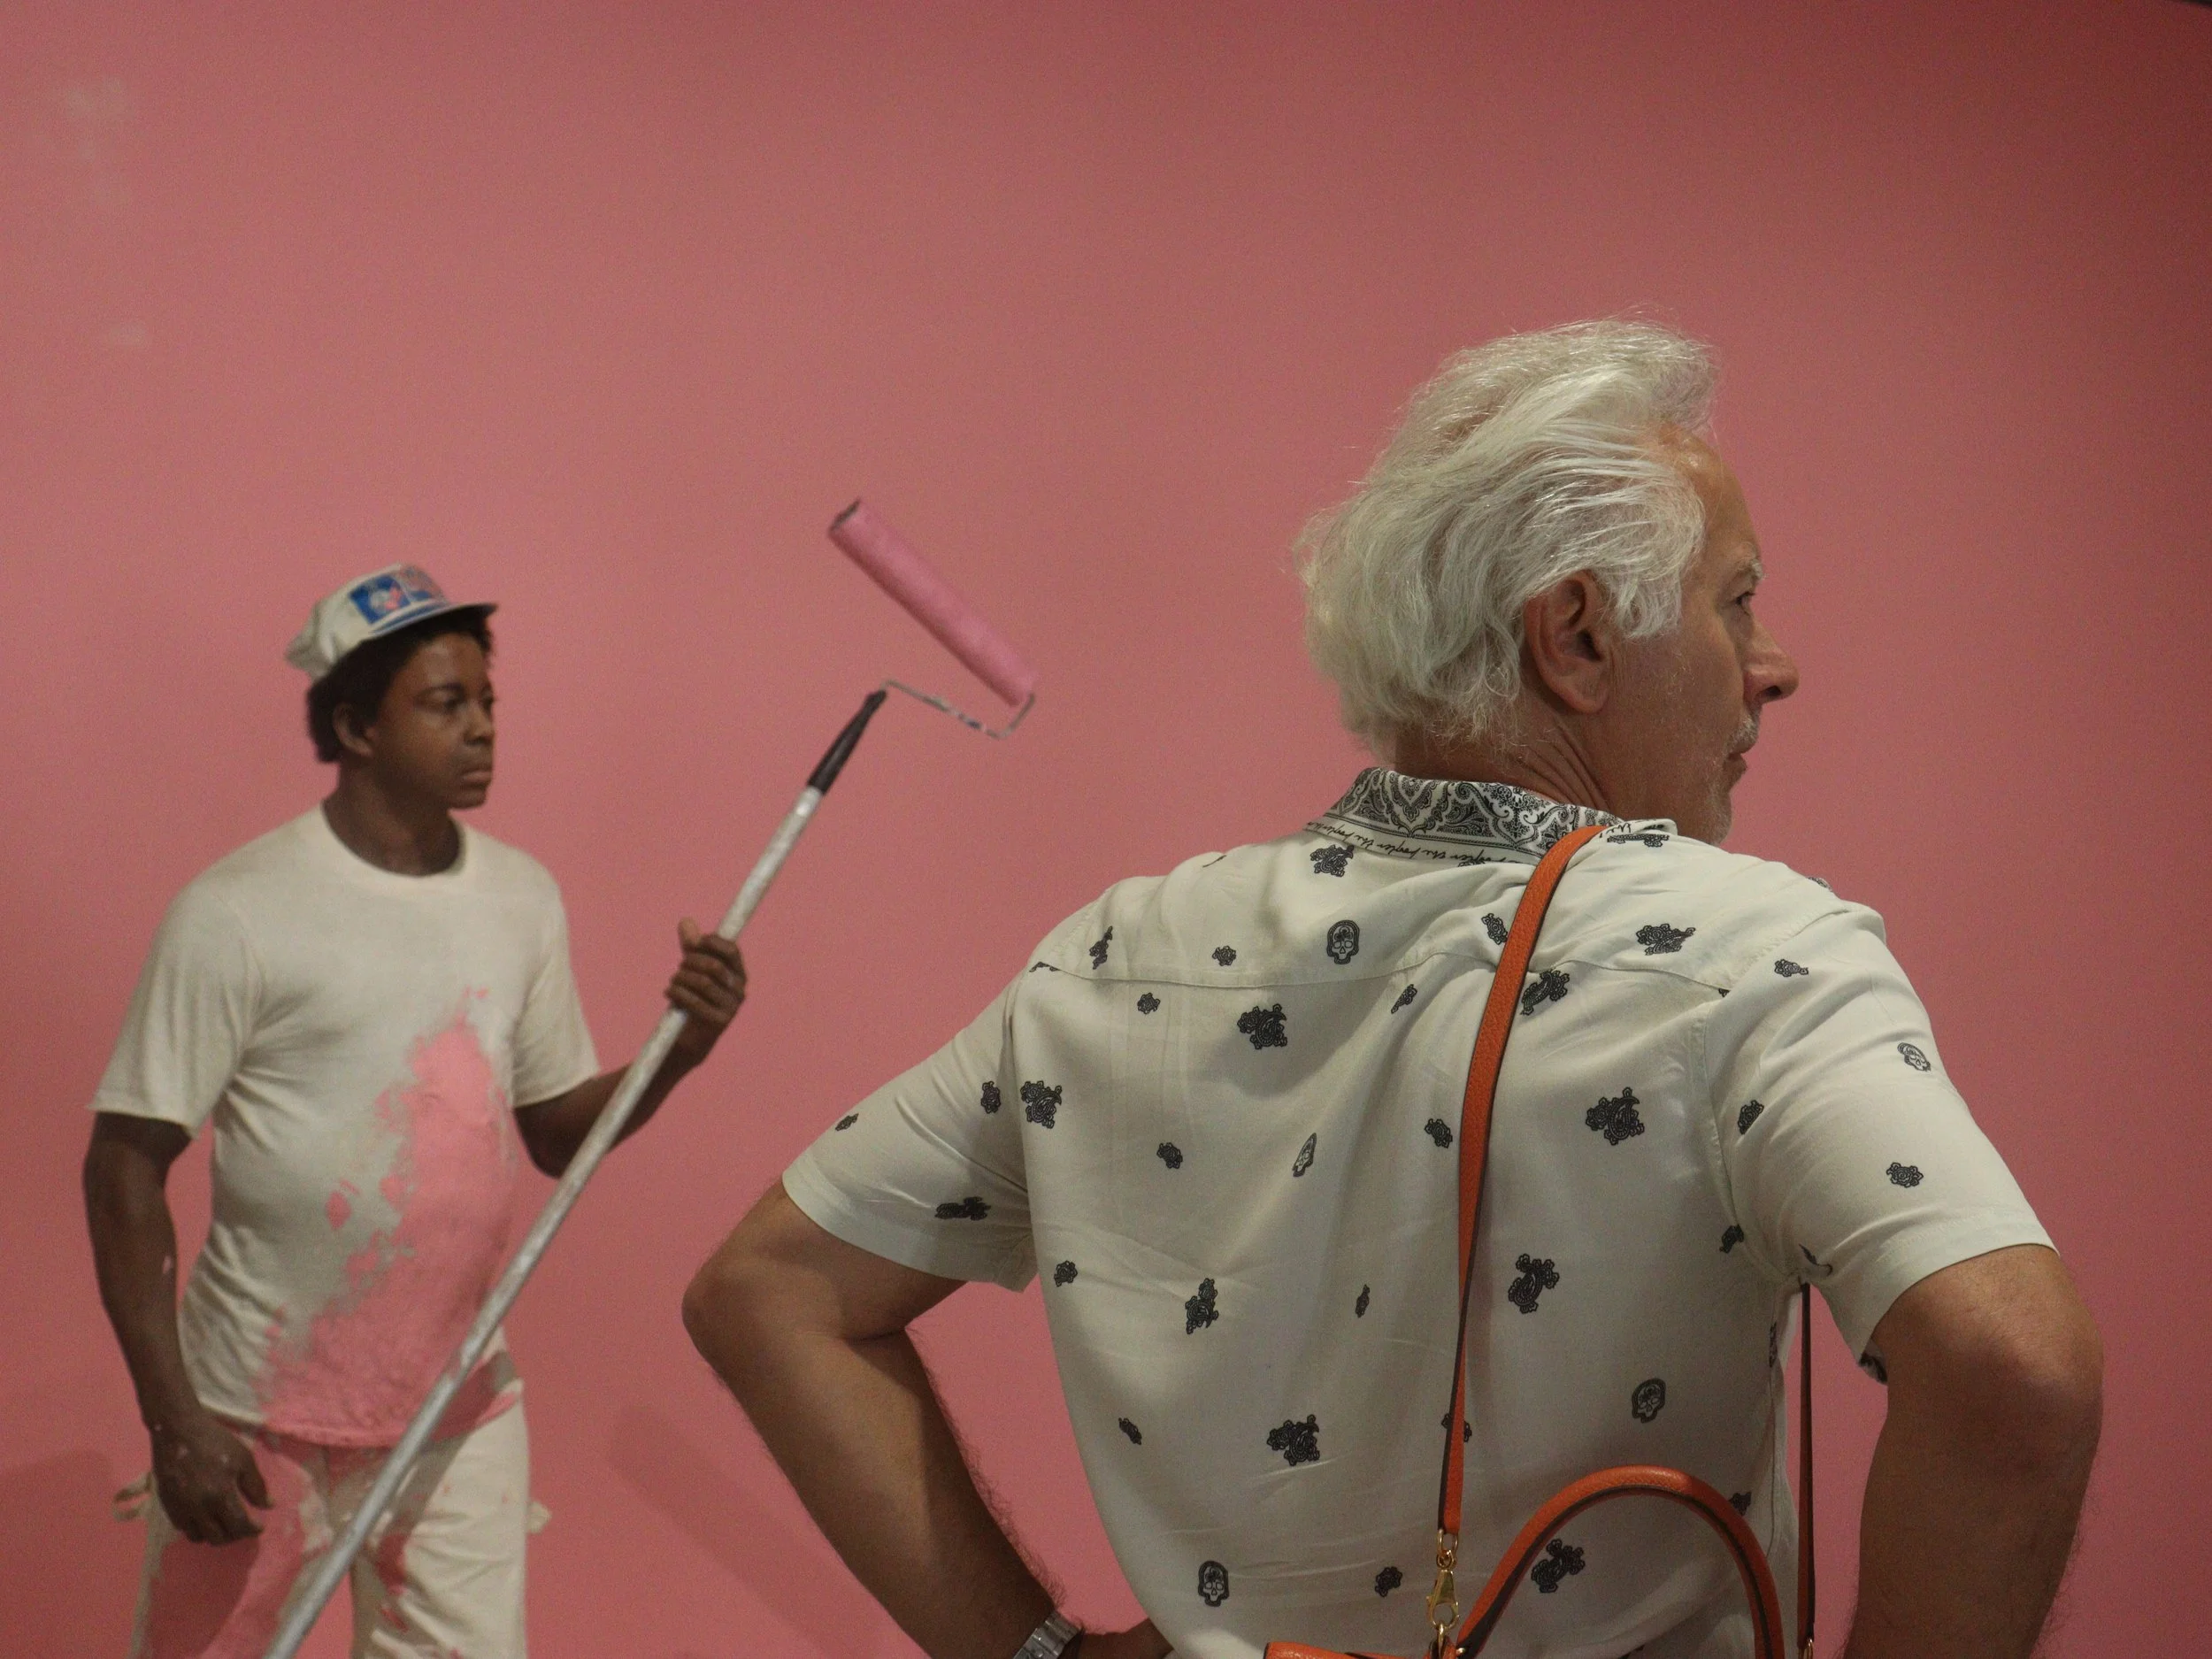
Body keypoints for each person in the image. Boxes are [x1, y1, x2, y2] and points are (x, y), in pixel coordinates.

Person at [682, 322, 2104, 1659]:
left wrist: (1041, 1650)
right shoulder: (1744, 953)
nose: (1772, 665)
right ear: (1579, 638)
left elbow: (771, 1289)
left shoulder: (1122, 951)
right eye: (1737, 601)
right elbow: (2013, 1369)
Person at [84, 566, 749, 1658]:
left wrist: (676, 1055)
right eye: (446, 704)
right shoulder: (237, 912)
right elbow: (121, 1171)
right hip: (251, 1420)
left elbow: (549, 1136)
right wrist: (175, 1420)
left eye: (488, 701)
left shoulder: (521, 899)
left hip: (458, 1411)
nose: (484, 728)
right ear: (354, 725)